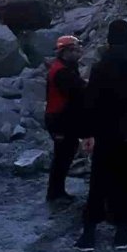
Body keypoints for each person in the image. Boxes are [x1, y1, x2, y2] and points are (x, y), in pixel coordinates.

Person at [75, 19, 127, 252]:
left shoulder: (100, 67)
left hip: (106, 133)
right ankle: (121, 233)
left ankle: (88, 234)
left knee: (99, 182)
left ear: (109, 41)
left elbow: (90, 102)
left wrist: (86, 132)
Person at [45, 35, 86, 203]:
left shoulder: (66, 67)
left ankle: (57, 190)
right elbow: (76, 92)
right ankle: (55, 193)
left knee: (66, 153)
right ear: (65, 51)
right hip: (59, 119)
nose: (79, 53)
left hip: (62, 117)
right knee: (62, 155)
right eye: (75, 50)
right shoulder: (62, 71)